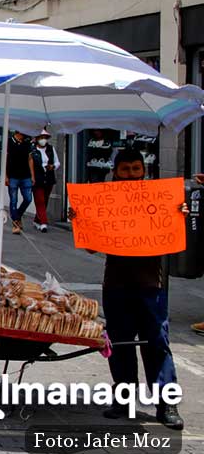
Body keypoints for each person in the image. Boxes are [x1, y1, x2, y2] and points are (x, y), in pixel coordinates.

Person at [69, 150, 184, 430]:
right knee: (120, 343)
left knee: (157, 342)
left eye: (135, 168)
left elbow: (177, 237)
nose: (131, 174)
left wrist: (179, 216)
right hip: (116, 284)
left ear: (143, 170)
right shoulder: (106, 200)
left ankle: (166, 403)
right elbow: (92, 246)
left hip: (151, 285)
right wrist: (80, 220)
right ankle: (124, 398)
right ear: (115, 171)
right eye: (125, 169)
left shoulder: (158, 200)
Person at [30, 130, 60, 233]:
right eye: (41, 137)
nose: (43, 140)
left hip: (49, 178)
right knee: (40, 200)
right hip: (38, 178)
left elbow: (57, 162)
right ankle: (43, 222)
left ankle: (37, 220)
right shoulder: (32, 150)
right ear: (37, 138)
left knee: (45, 200)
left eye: (45, 137)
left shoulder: (51, 149)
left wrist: (53, 166)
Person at [6, 130, 35, 235]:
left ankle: (17, 215)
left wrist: (32, 175)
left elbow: (30, 159)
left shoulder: (26, 143)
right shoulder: (9, 142)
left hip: (25, 175)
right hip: (13, 175)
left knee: (28, 198)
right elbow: (4, 158)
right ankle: (15, 223)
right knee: (13, 200)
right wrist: (5, 175)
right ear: (18, 133)